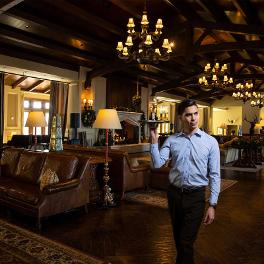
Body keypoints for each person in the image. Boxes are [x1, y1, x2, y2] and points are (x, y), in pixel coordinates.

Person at [150, 99, 220, 264]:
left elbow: (215, 175)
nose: (193, 118)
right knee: (178, 239)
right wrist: (154, 142)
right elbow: (158, 163)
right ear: (181, 117)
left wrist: (212, 205)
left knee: (185, 241)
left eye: (196, 114)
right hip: (174, 195)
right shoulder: (172, 140)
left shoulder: (210, 142)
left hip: (196, 197)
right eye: (188, 115)